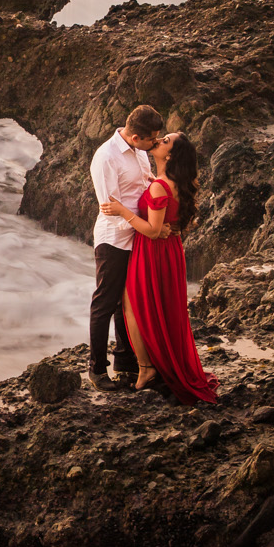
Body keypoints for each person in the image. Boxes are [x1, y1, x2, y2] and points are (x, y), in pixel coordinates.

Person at [100, 132, 219, 404]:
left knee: (133, 306)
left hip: (151, 252)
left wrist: (122, 212)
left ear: (170, 156)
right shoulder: (175, 183)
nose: (159, 140)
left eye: (165, 141)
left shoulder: (159, 187)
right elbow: (174, 223)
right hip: (171, 253)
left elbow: (153, 231)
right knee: (164, 308)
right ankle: (162, 361)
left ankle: (146, 369)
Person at [88, 103, 164, 390]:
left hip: (138, 235)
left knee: (127, 302)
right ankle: (96, 370)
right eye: (152, 139)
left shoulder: (140, 151)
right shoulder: (106, 157)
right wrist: (142, 225)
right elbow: (111, 207)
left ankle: (126, 363)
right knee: (105, 303)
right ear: (135, 138)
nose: (155, 143)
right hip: (114, 238)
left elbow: (145, 186)